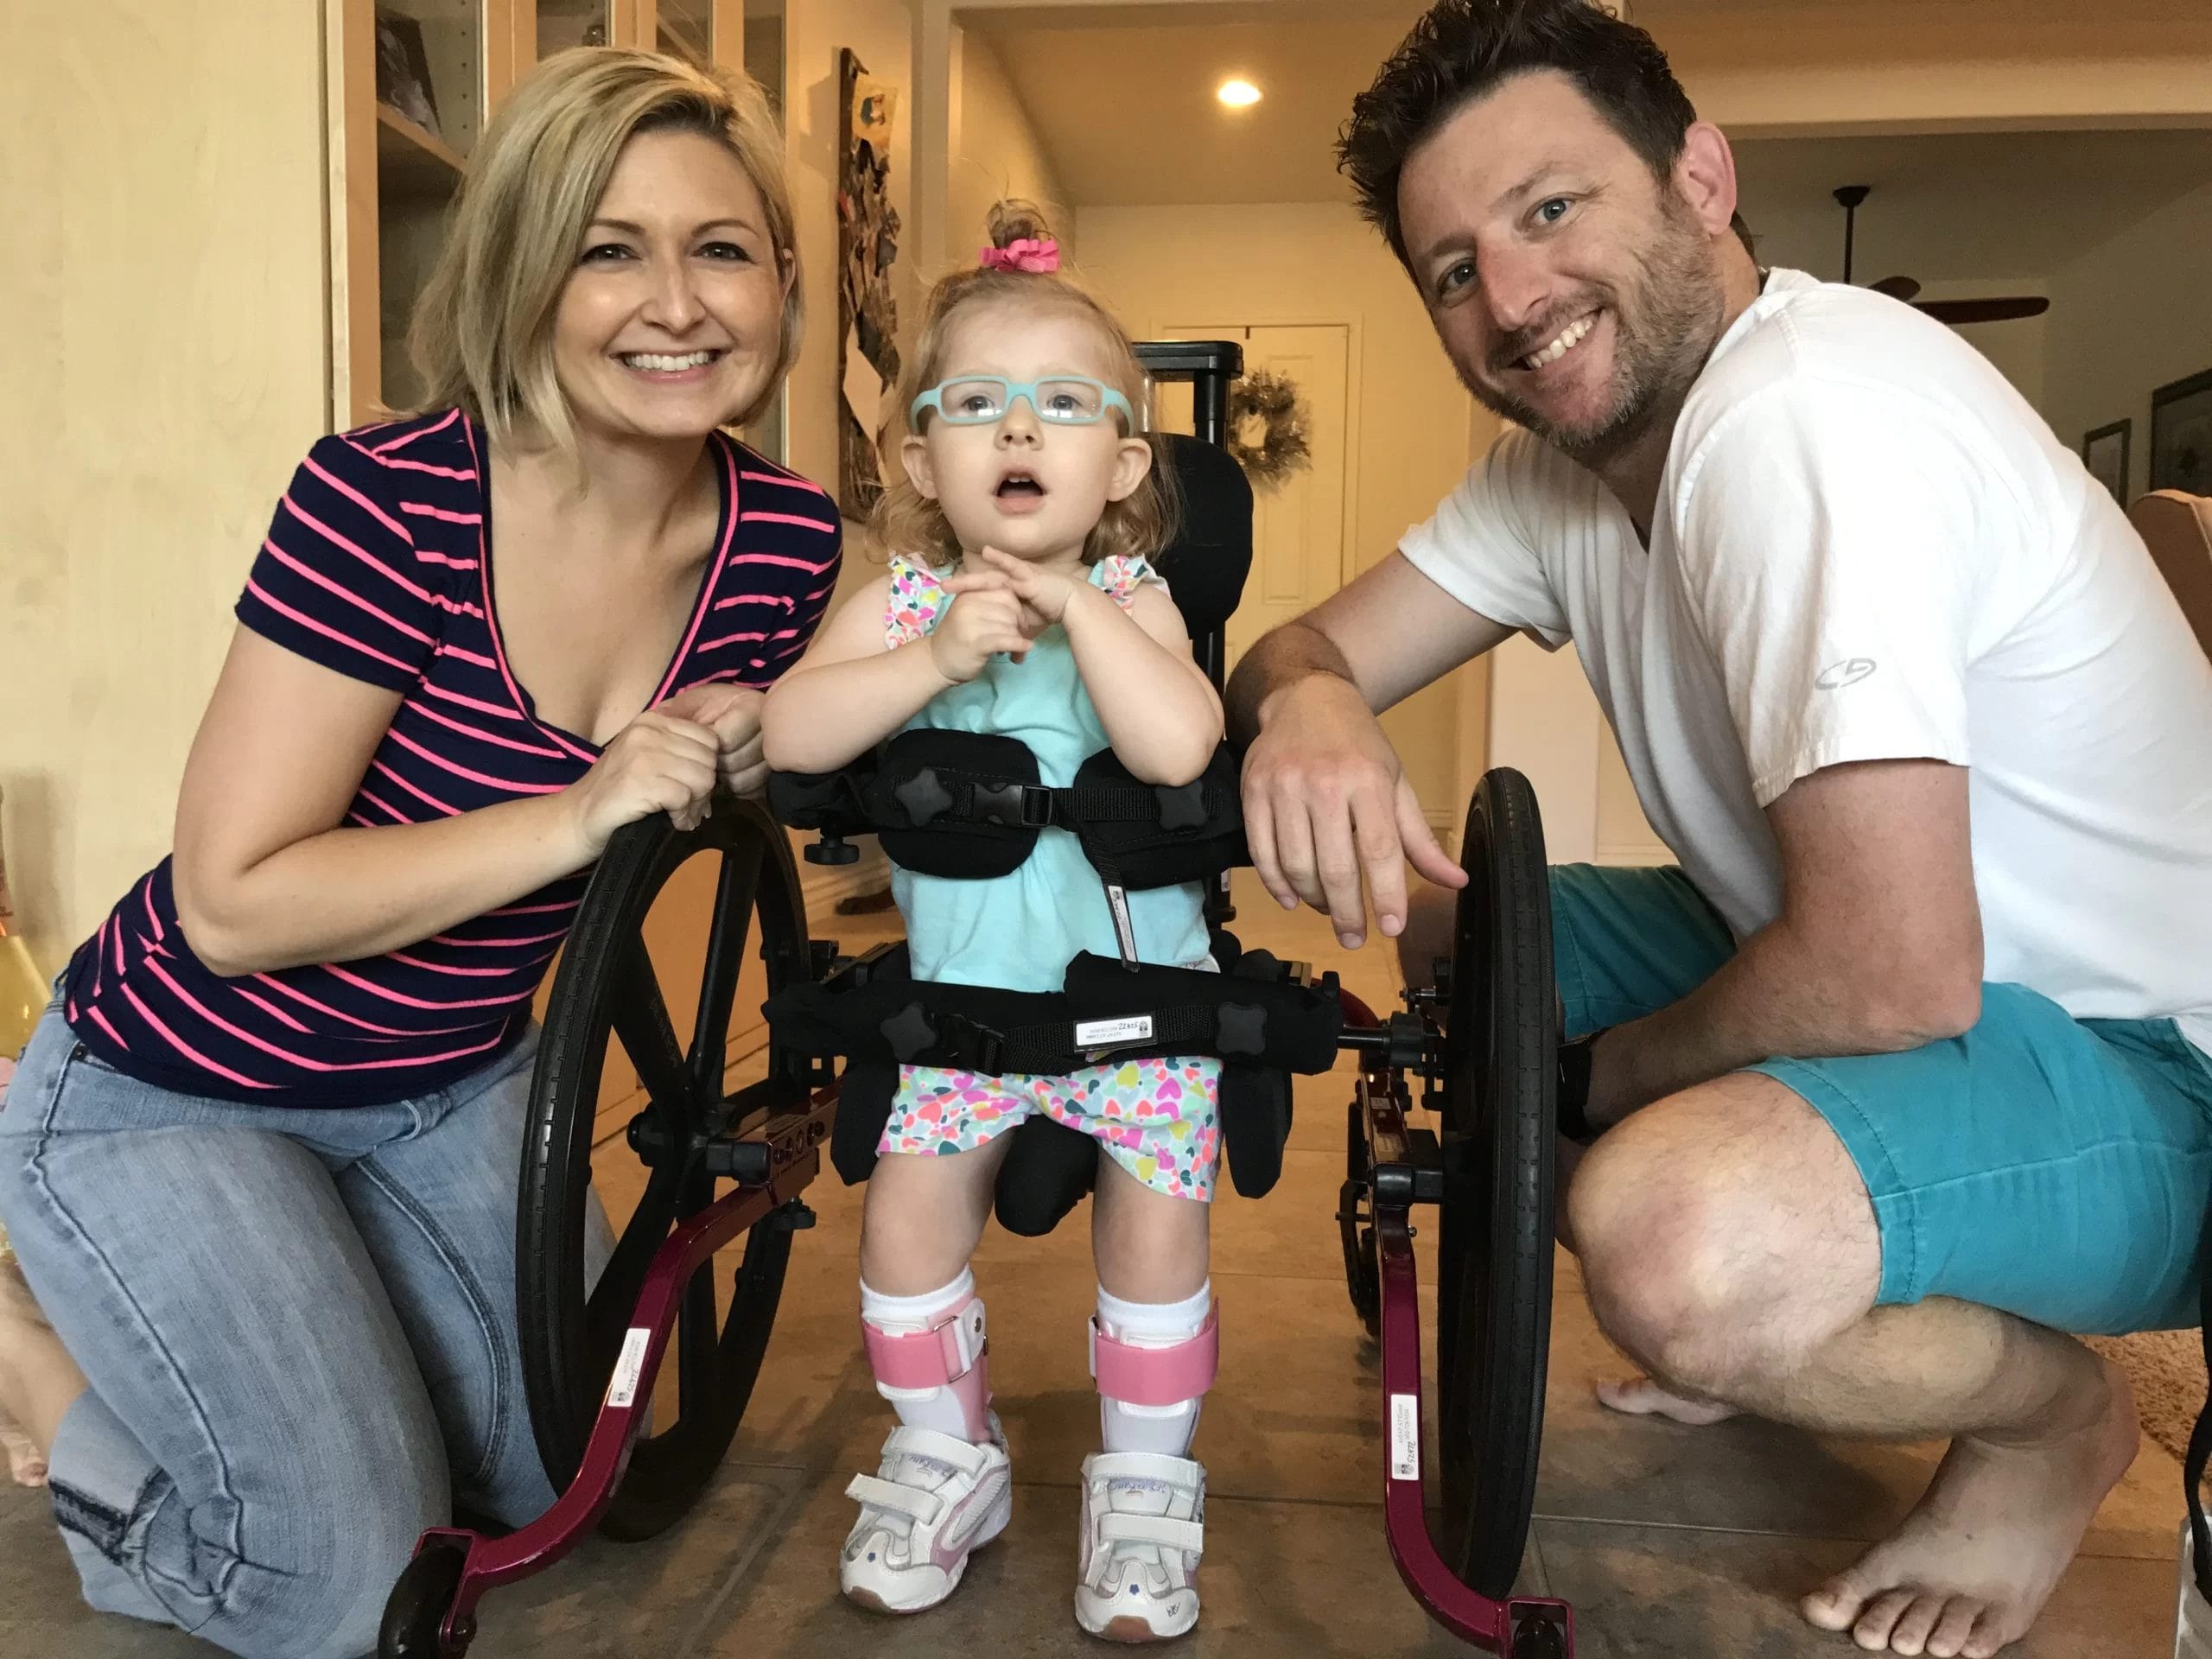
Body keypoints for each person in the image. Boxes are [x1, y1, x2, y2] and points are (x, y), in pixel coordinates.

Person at [1229, 3, 2212, 1656]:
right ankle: (1832, 1284)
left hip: (2151, 1066)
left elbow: (1893, 976)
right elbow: (1298, 644)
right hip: (1919, 982)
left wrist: (1586, 1095)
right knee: (1440, 911)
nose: (1515, 297)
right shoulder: (1558, 471)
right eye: (1455, 267)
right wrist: (1314, 704)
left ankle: (2053, 1427)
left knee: (1675, 1241)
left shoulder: (1802, 417)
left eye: (1552, 209)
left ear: (1700, 175)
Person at [0, 48, 836, 1658]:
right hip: (175, 1087)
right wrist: (583, 810)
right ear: (527, 272)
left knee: (551, 1482)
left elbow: (884, 672)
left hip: (448, 1076)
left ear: (784, 281)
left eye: (721, 247)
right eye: (608, 247)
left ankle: (308, 1323)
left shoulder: (782, 541)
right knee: (353, 1585)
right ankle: (34, 1357)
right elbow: (233, 905)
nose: (677, 301)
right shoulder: (390, 500)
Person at [762, 202, 1223, 1642]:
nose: (1018, 431)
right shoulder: (898, 596)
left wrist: (1083, 614)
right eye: (978, 405)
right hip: (965, 1017)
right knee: (902, 1232)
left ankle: (1143, 1487)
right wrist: (928, 658)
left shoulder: (1135, 593)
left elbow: (1179, 748)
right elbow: (794, 726)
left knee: (1157, 1232)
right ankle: (946, 1455)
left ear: (1122, 465)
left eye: (1062, 406)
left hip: (1139, 1008)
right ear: (920, 457)